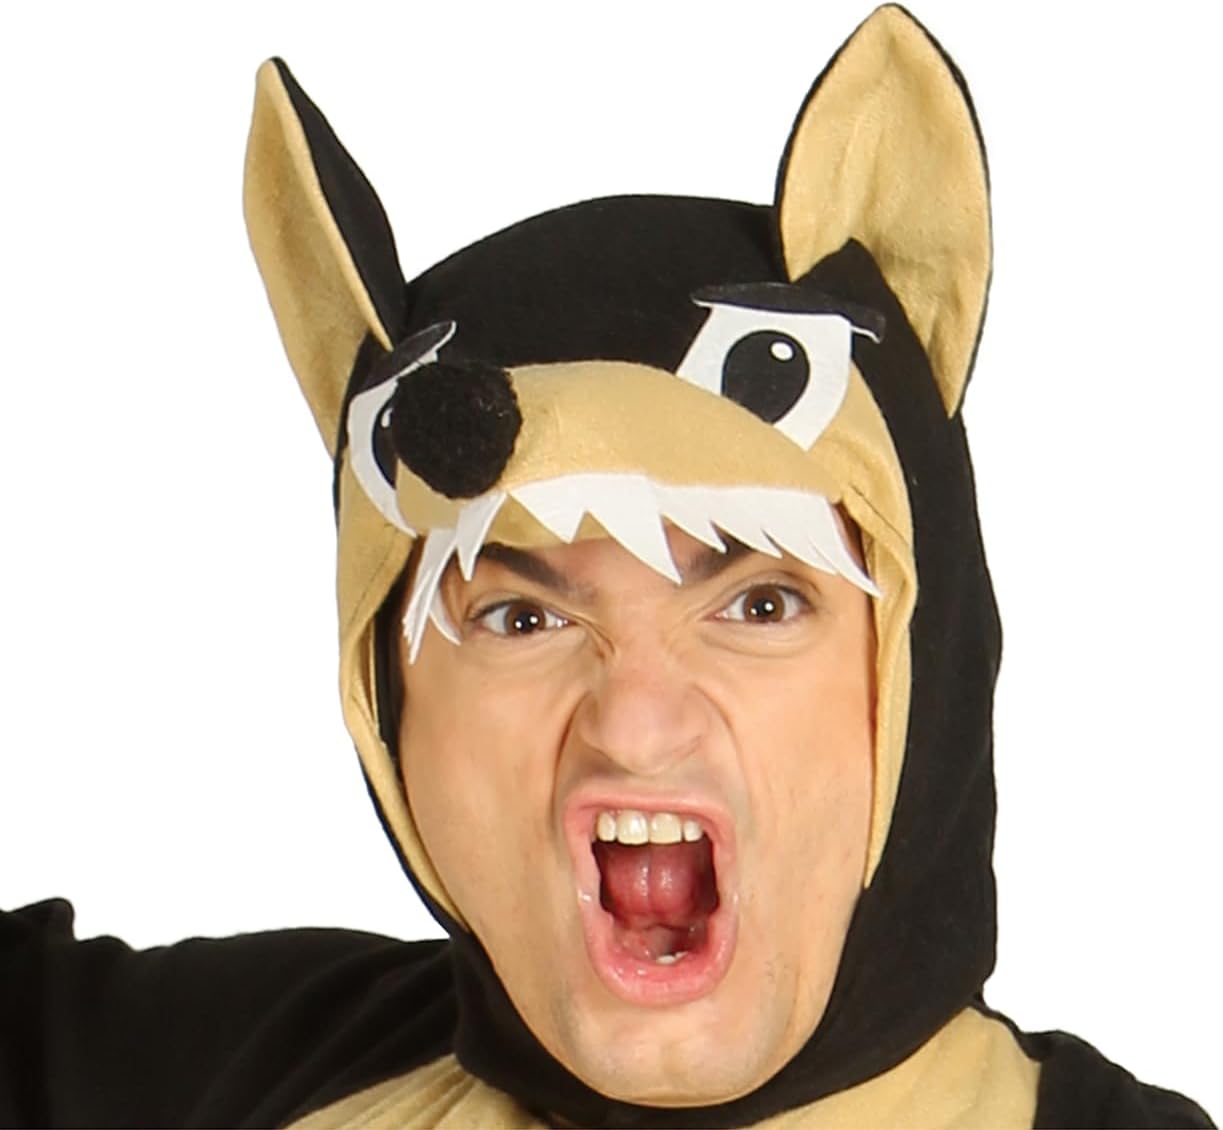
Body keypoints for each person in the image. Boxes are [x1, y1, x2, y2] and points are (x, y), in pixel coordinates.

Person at [1, 6, 1217, 1128]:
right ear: (388, 710)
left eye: (759, 602)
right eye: (518, 619)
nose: (634, 728)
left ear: (922, 677)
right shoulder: (258, 1069)